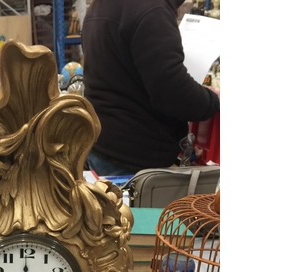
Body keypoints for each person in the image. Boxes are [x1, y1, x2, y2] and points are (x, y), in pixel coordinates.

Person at [81, 0, 220, 176]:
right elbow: (172, 92)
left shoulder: (103, 5)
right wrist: (212, 100)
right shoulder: (153, 9)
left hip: (101, 143)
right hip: (133, 156)